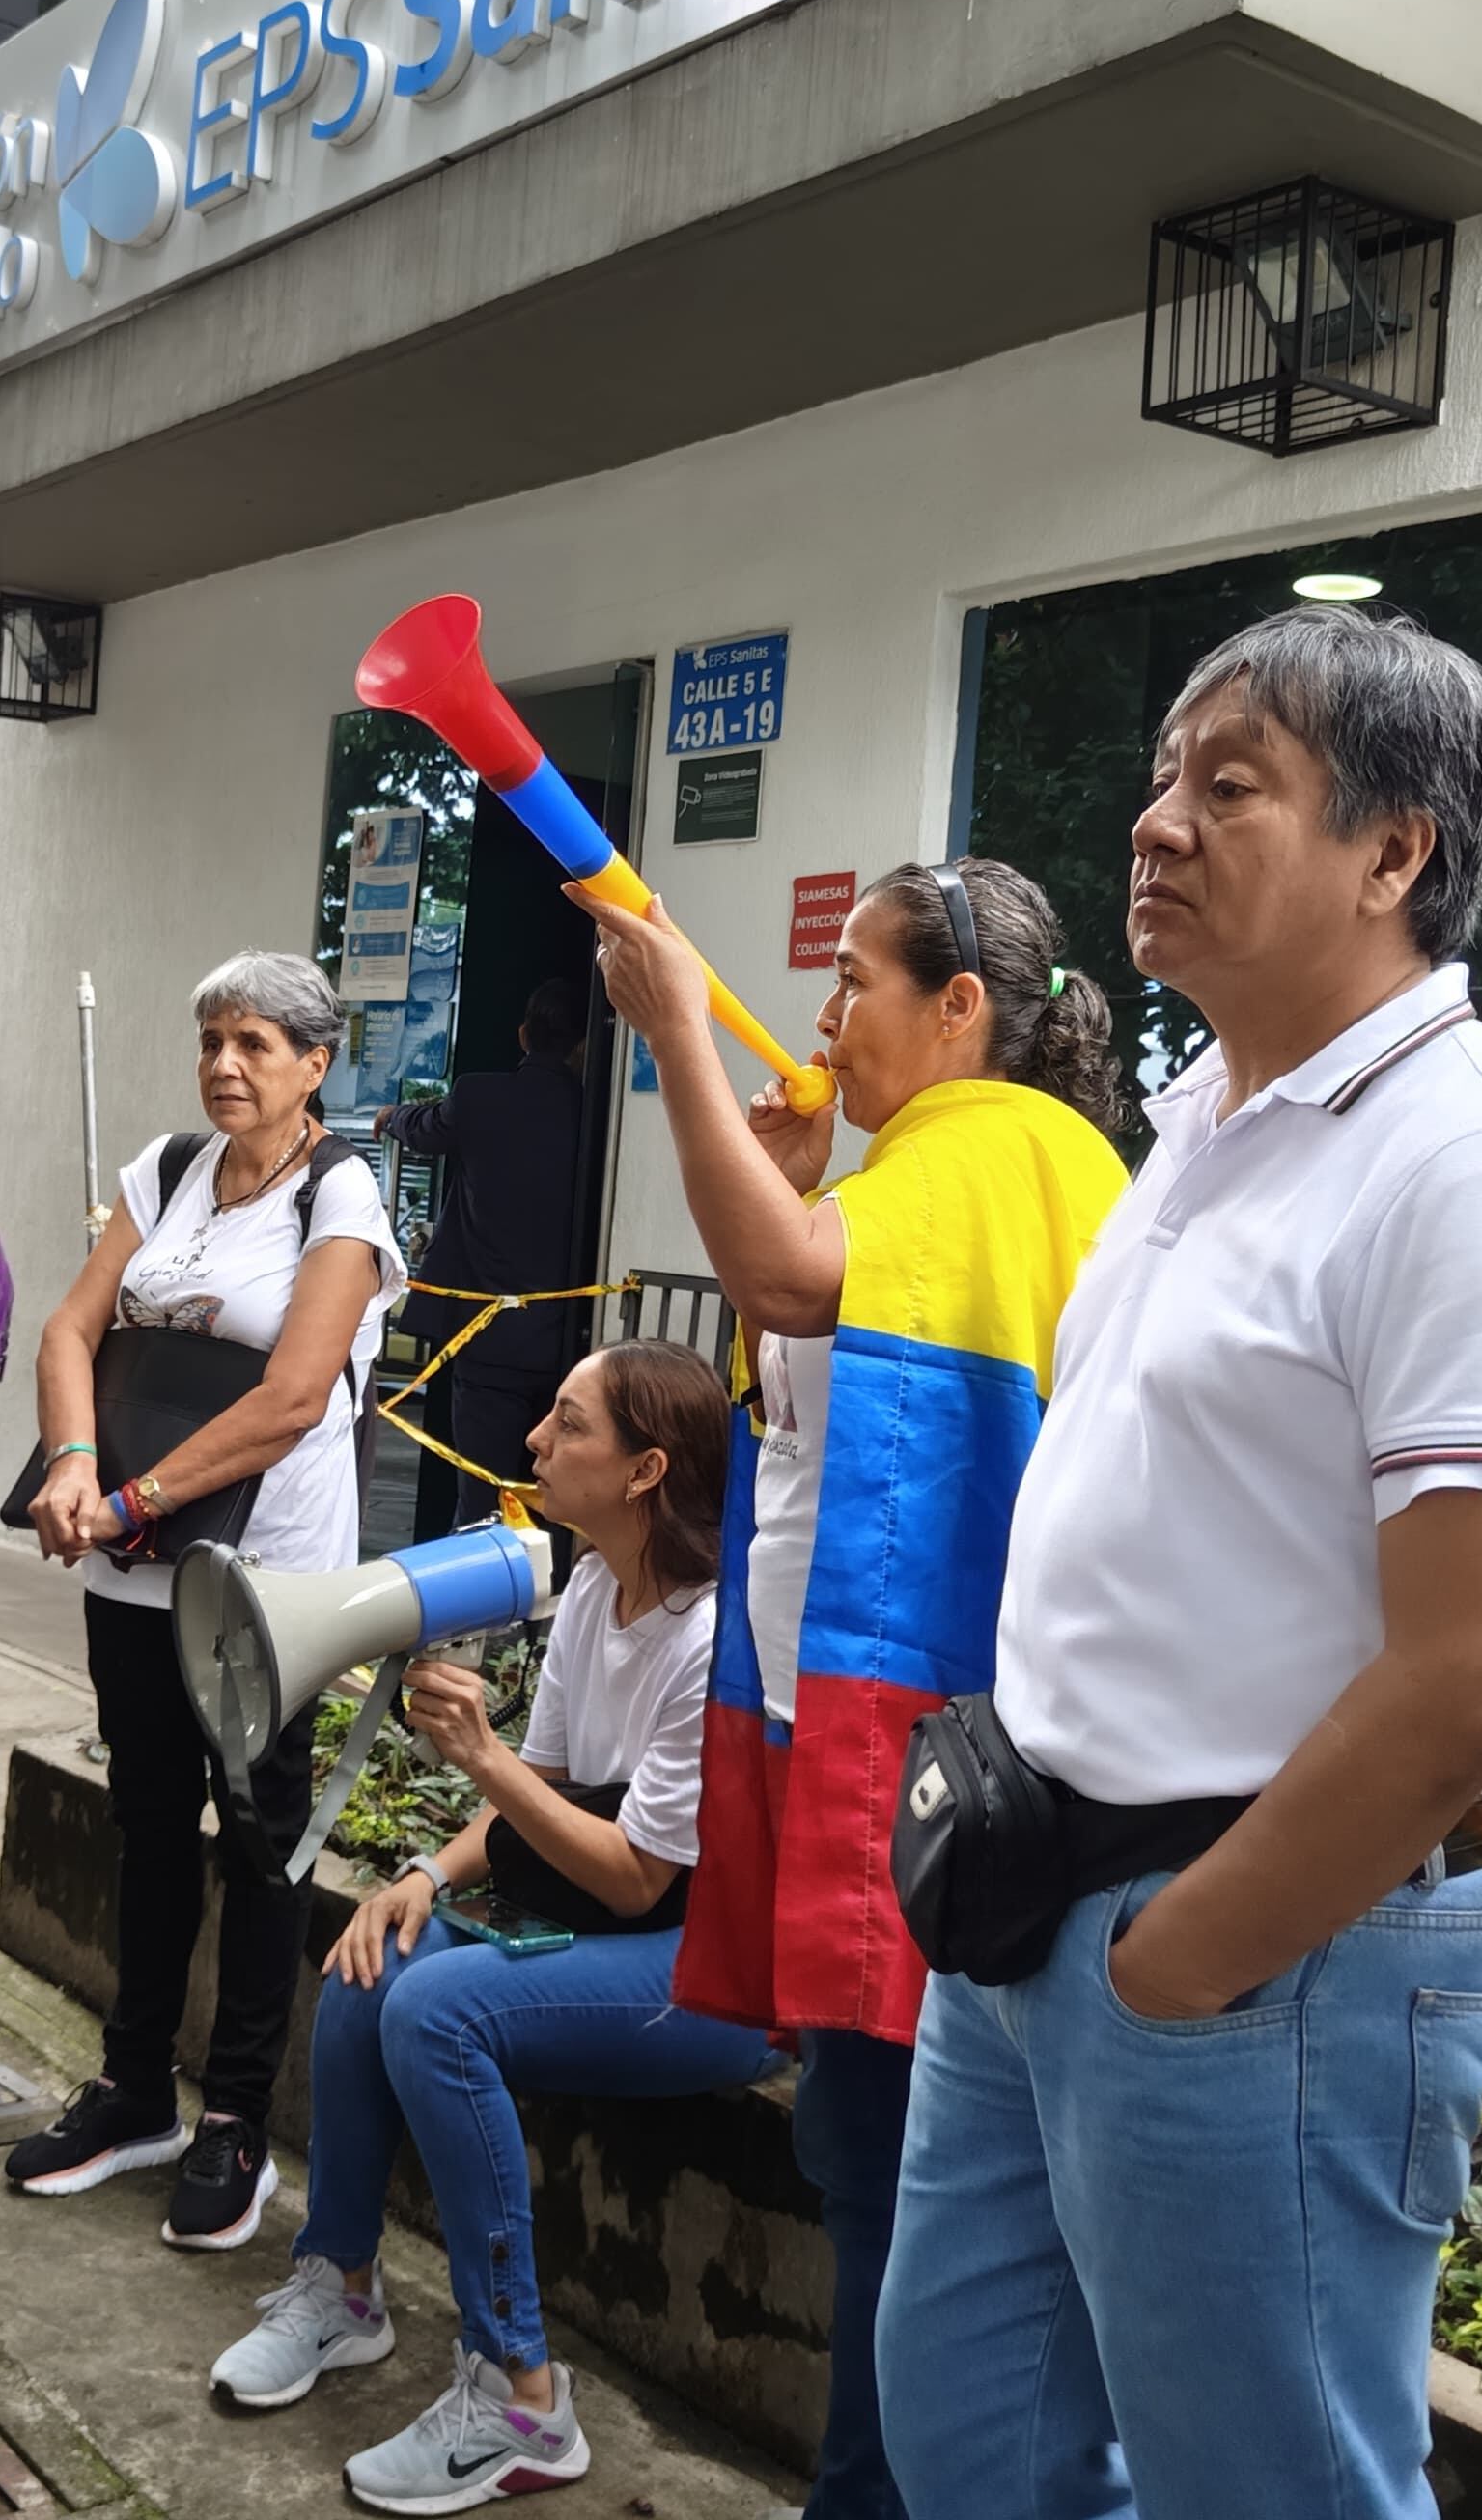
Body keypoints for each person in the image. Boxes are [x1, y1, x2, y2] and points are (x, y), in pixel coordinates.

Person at [873, 604, 1482, 2520]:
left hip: (1250, 1954)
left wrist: (1175, 1965)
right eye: (1159, 781)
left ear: (1393, 854)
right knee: (965, 2437)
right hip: (1022, 1909)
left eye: (1229, 788)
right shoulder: (1201, 1133)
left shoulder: (1472, 1168)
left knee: (1268, 2489)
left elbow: (1474, 1680)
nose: (1154, 825)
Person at [573, 853, 1129, 2520]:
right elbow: (810, 1343)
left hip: (938, 1759)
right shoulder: (932, 1166)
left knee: (896, 2183)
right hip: (866, 1741)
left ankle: (869, 2497)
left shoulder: (1000, 1146)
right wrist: (787, 1170)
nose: (823, 1018)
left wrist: (678, 1033)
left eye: (858, 984)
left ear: (959, 1007)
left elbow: (786, 1282)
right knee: (865, 2158)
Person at [207, 1341, 771, 2510]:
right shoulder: (596, 1599)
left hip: (718, 1973)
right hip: (626, 1923)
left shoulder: (713, 1639)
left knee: (437, 2010)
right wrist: (422, 1871)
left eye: (568, 1425)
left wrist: (479, 1754)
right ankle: (341, 2284)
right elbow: (540, 1805)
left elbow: (632, 1880)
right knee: (377, 1960)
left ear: (642, 1470)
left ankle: (521, 2397)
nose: (533, 1442)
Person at [11, 951, 405, 2248]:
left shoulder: (342, 1198)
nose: (226, 1065)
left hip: (258, 1578)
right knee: (143, 1822)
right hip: (130, 1569)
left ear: (313, 1064)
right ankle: (134, 2089)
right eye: (211, 1040)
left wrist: (129, 1504)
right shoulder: (169, 1168)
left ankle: (235, 2114)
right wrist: (75, 1463)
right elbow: (72, 1330)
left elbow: (293, 1398)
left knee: (260, 1833)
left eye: (254, 1043)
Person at [377, 975, 593, 1549]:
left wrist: (391, 1117)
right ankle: (540, 1624)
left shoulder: (478, 1096)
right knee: (561, 1497)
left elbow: (423, 1128)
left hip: (486, 1333)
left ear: (524, 1036)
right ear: (583, 1046)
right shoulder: (599, 1114)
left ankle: (477, 1624)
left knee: (482, 1497)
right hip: (574, 1340)